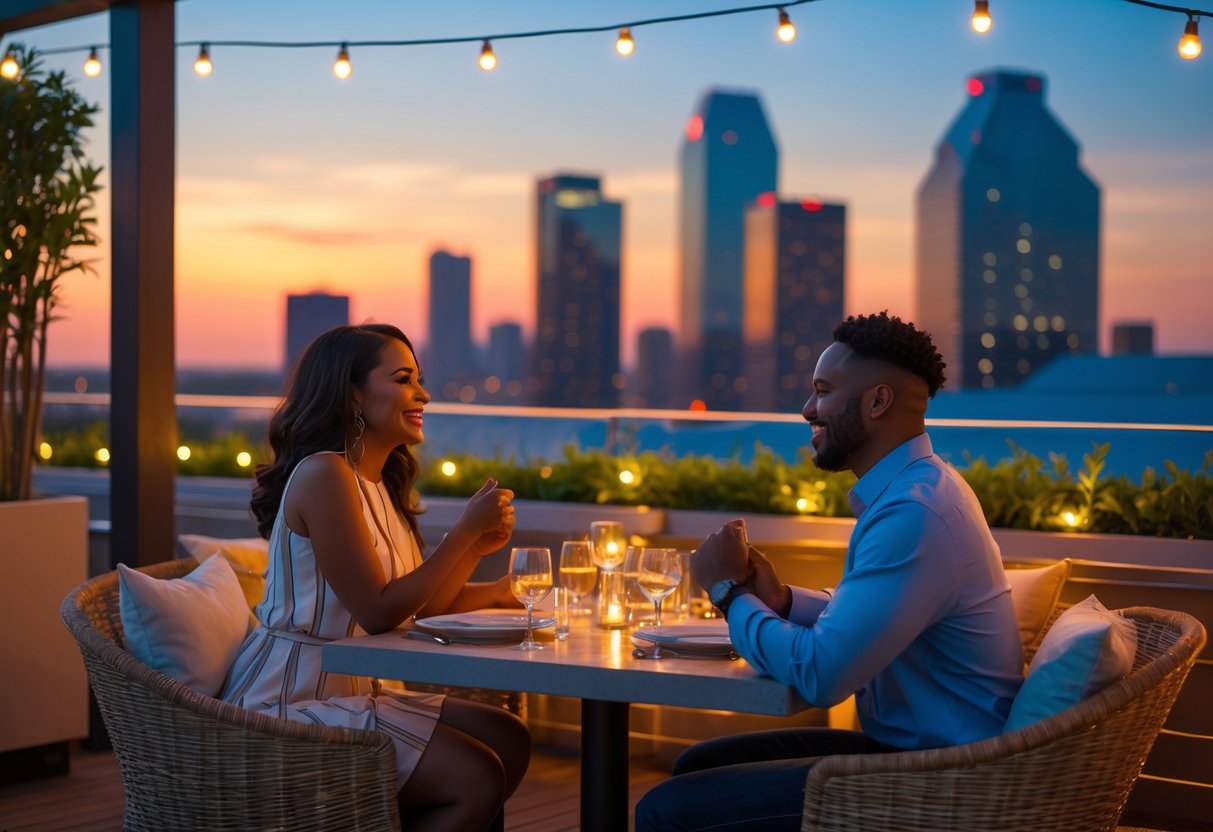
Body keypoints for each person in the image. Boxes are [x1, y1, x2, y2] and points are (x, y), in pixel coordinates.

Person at [636, 311, 1024, 832]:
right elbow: (874, 615)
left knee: (665, 810)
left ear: (877, 401)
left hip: (943, 782)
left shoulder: (914, 514)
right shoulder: (921, 489)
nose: (807, 409)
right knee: (697, 767)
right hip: (913, 750)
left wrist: (727, 593)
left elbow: (821, 676)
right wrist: (784, 604)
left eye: (822, 391)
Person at [220, 323, 530, 832]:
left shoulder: (378, 482)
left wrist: (477, 550)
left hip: (356, 689)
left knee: (508, 736)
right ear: (353, 395)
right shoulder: (325, 474)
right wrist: (460, 533)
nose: (423, 394)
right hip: (290, 699)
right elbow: (378, 610)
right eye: (404, 379)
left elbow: (423, 605)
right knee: (475, 777)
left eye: (419, 379)